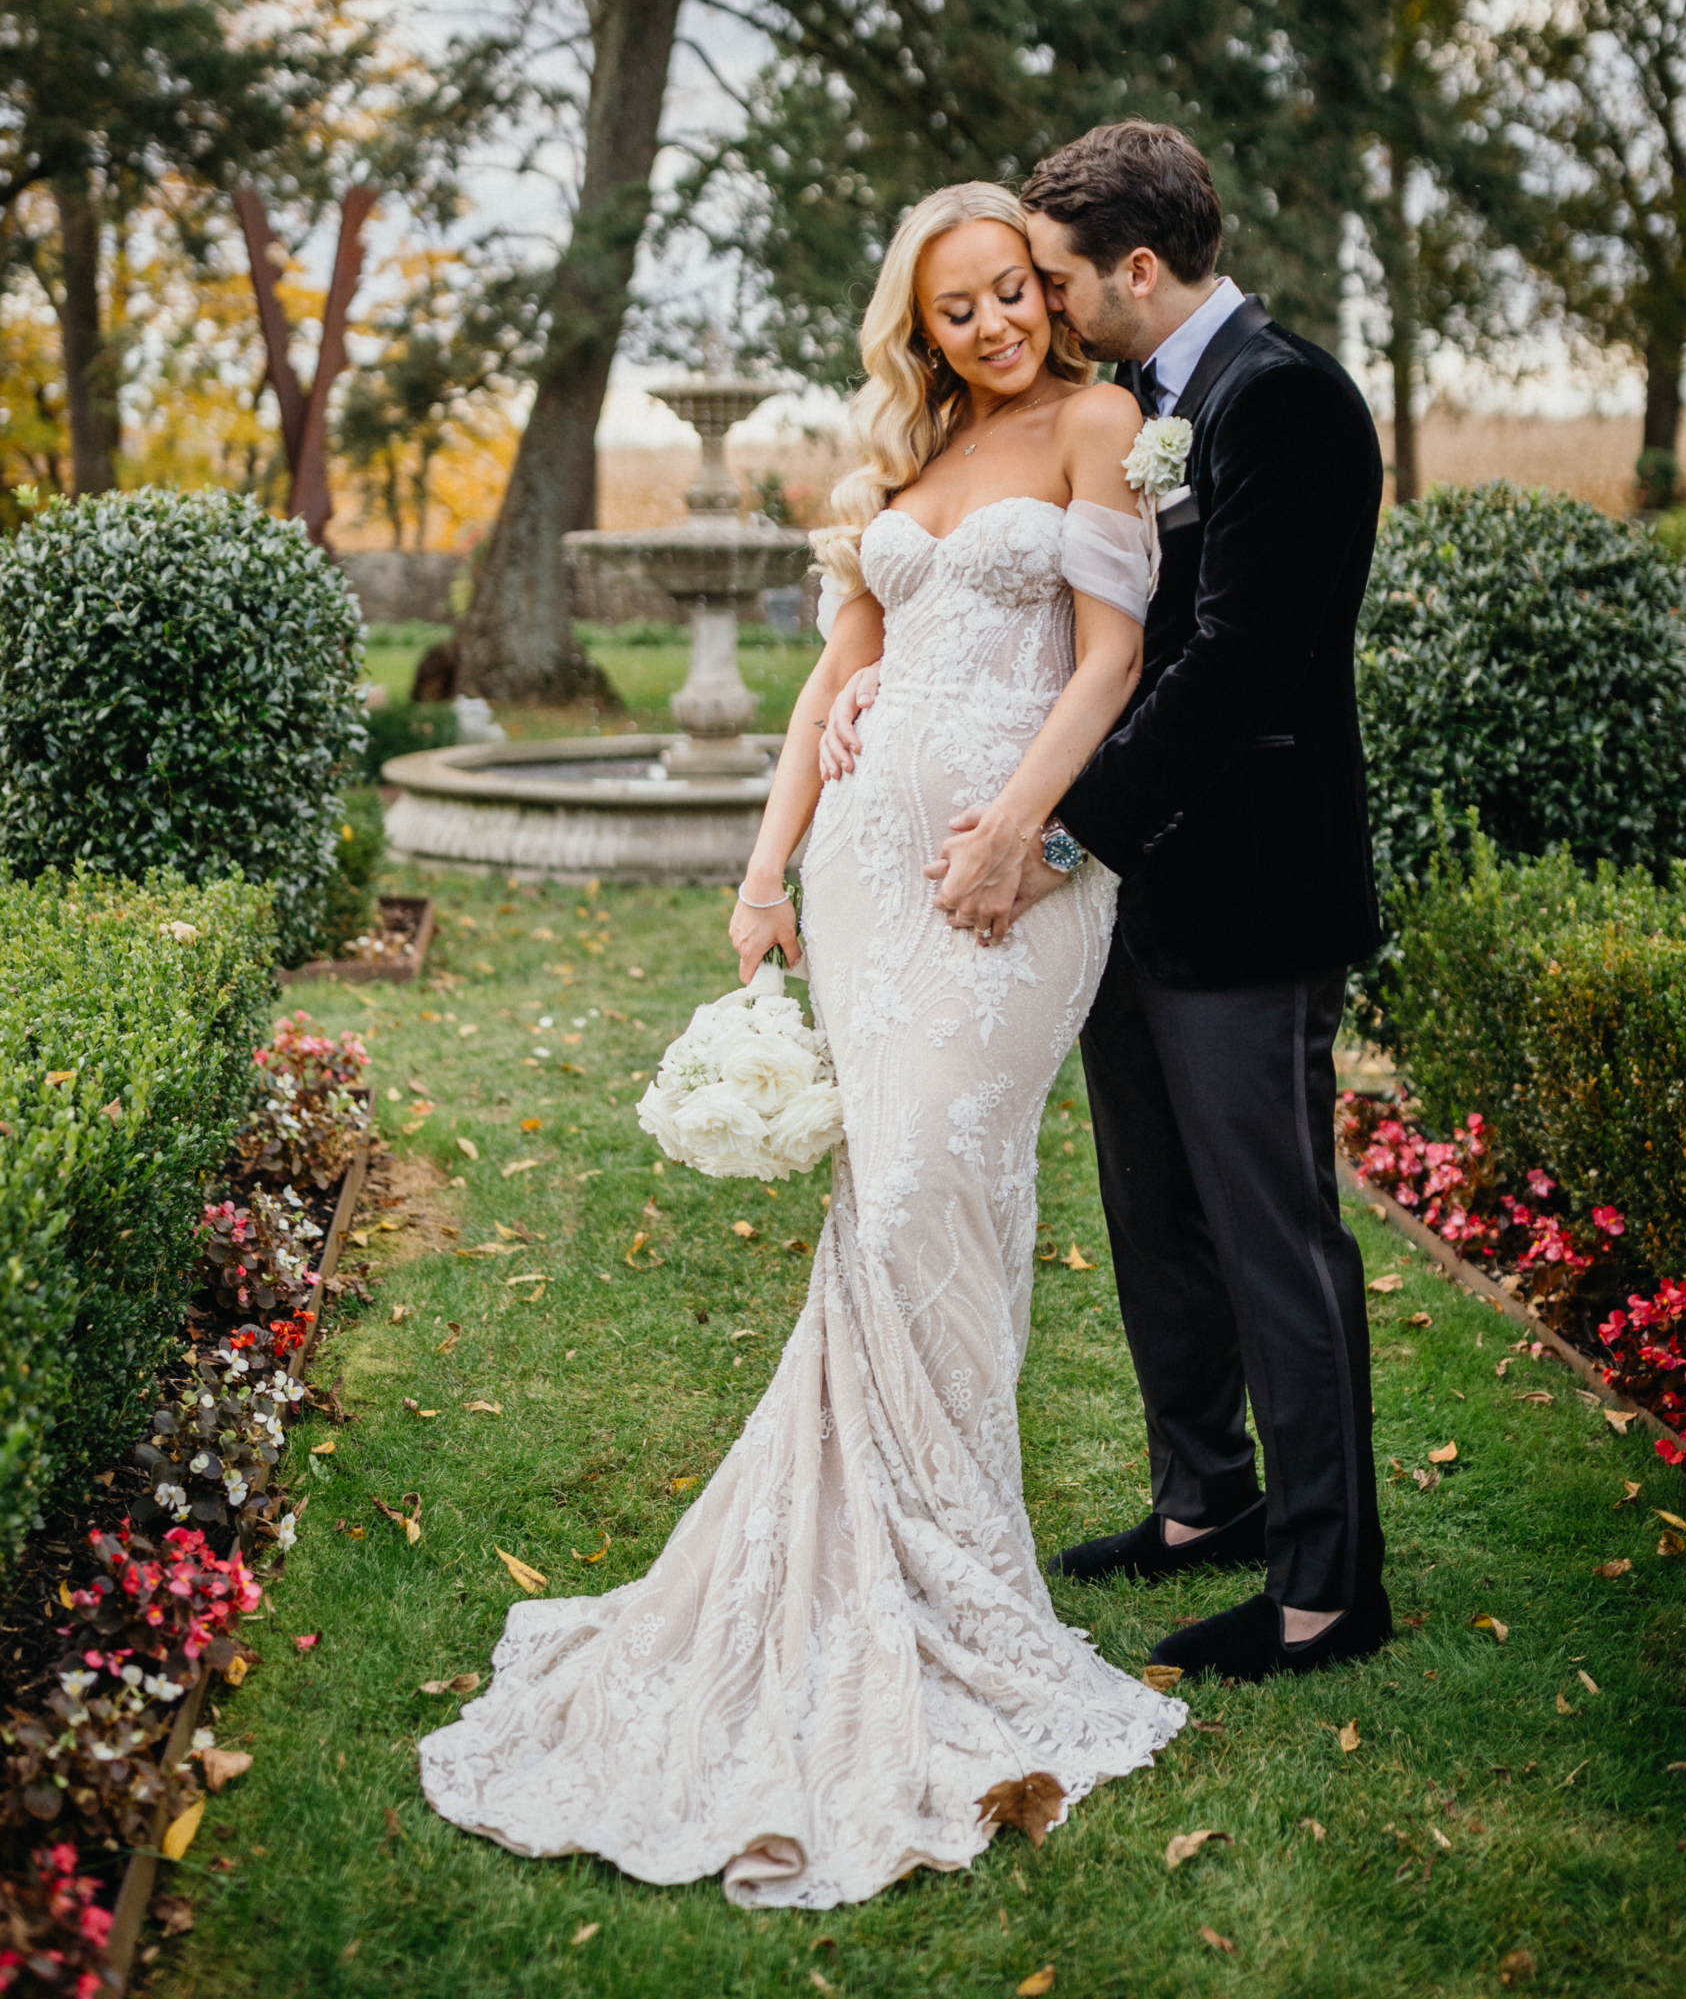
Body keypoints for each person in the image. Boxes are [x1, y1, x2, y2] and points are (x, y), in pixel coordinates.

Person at [417, 180, 1187, 1908]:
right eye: (954, 312)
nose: (989, 327)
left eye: (1007, 295)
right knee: (889, 1207)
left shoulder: (1103, 423)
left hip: (1012, 886)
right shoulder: (897, 480)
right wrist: (763, 875)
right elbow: (835, 679)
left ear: (1046, 299)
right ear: (917, 332)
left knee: (932, 1190)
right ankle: (914, 1555)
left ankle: (954, 1577)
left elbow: (1113, 662)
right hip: (859, 885)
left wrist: (1018, 832)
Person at [823, 119, 1389, 1684]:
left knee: (1276, 1233)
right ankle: (1205, 1500)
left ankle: (1332, 1584)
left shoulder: (1287, 403)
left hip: (1248, 897)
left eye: (1059, 282)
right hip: (1133, 902)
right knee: (1153, 1216)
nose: (1047, 312)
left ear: (1137, 270)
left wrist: (1057, 833)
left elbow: (1237, 668)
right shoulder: (1141, 402)